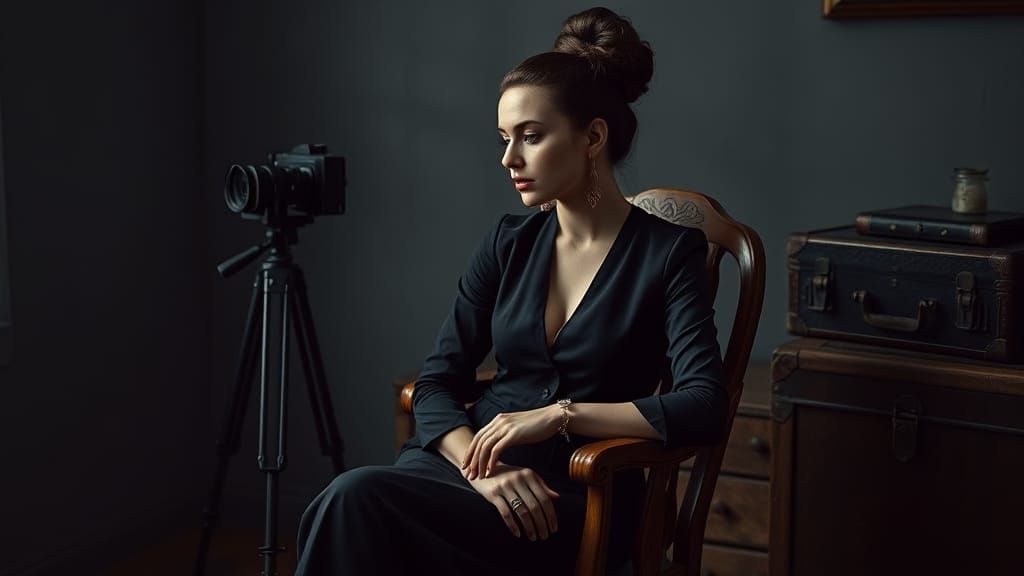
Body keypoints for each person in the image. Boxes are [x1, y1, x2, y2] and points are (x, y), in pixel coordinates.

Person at [294, 7, 726, 575]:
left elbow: (703, 405)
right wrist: (483, 471)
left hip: (575, 494)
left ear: (593, 136)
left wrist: (560, 415)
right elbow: (436, 383)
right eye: (504, 138)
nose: (509, 159)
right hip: (468, 471)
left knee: (356, 501)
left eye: (530, 136)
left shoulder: (669, 254)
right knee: (354, 500)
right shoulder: (509, 242)